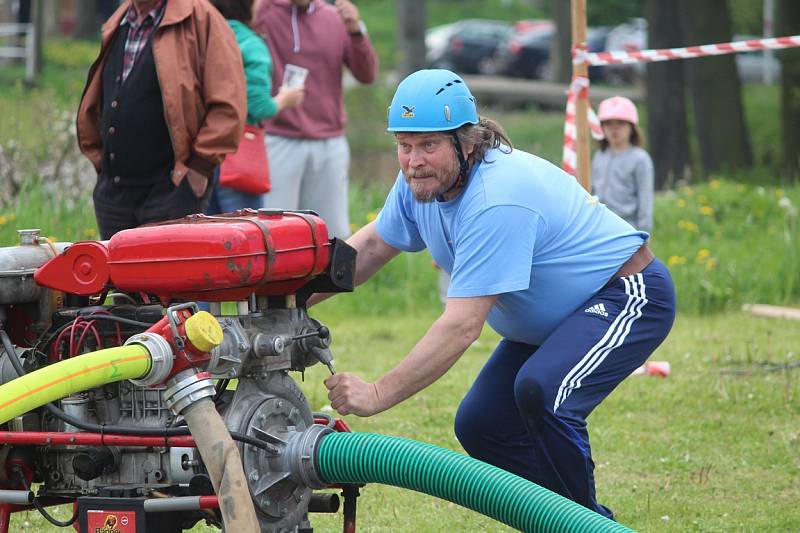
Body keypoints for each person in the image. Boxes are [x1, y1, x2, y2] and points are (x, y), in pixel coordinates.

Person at [318, 70, 676, 518]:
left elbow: (462, 325)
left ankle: (582, 526)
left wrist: (376, 393)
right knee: (483, 426)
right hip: (560, 316)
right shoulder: (420, 184)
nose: (413, 160)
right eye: (404, 145)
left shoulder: (495, 197)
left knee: (542, 393)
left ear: (467, 142)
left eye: (429, 145)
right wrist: (285, 299)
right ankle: (577, 520)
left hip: (627, 294)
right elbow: (368, 248)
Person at [77, 0, 247, 240]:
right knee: (118, 277)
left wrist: (200, 167)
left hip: (171, 191)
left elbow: (228, 103)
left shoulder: (201, 18)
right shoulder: (121, 19)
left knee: (165, 276)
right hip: (114, 194)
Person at [254, 0, 378, 238]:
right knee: (273, 235)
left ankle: (326, 278)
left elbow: (367, 74)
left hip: (329, 142)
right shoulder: (262, 11)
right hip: (276, 139)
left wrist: (355, 29)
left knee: (332, 235)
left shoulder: (334, 17)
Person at [207, 0, 305, 214]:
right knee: (245, 233)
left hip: (200, 156)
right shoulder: (250, 44)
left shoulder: (202, 35)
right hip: (236, 154)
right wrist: (285, 99)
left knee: (207, 231)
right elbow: (259, 106)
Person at [592, 96, 654, 232]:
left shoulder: (640, 159)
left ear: (631, 127)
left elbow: (645, 200)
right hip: (599, 227)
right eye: (608, 124)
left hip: (627, 229)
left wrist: (643, 234)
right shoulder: (599, 156)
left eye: (620, 123)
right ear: (601, 127)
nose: (614, 129)